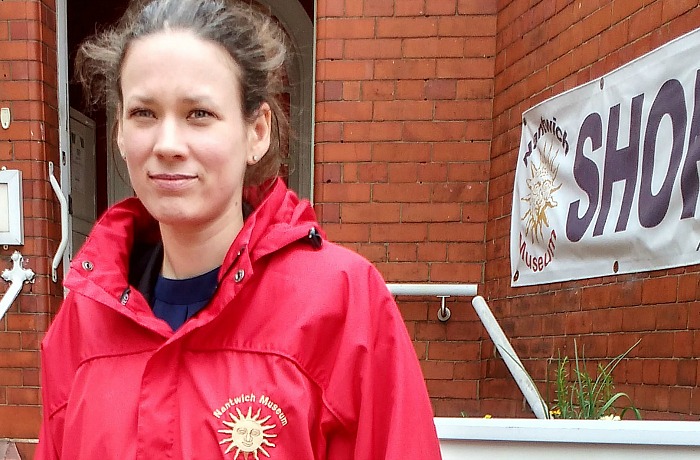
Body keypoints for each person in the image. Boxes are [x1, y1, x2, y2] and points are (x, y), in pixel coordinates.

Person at [37, 0, 442, 458]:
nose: (167, 143)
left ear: (257, 132)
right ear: (119, 133)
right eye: (144, 113)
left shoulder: (342, 303)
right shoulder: (82, 319)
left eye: (199, 114)